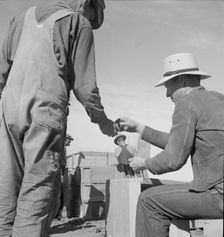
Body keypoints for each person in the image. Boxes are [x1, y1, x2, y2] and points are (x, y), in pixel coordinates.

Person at [0, 0, 116, 236]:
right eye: (93, 15)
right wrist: (102, 120)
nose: (90, 21)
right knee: (37, 190)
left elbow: (2, 71)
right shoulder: (77, 21)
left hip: (8, 108)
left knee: (7, 188)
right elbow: (85, 87)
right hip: (44, 108)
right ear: (87, 3)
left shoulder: (22, 18)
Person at [116, 53, 224, 237]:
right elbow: (181, 143)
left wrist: (144, 163)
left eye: (168, 86)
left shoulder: (186, 103)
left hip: (218, 195)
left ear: (181, 80)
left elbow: (173, 160)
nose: (167, 94)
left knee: (148, 201)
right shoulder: (217, 99)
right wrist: (140, 128)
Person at [55, 134, 74, 220]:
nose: (70, 142)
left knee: (60, 195)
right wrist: (61, 175)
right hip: (59, 173)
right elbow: (60, 163)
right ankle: (58, 215)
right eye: (68, 140)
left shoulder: (62, 149)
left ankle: (57, 214)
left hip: (60, 172)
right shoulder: (60, 149)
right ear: (64, 139)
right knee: (60, 196)